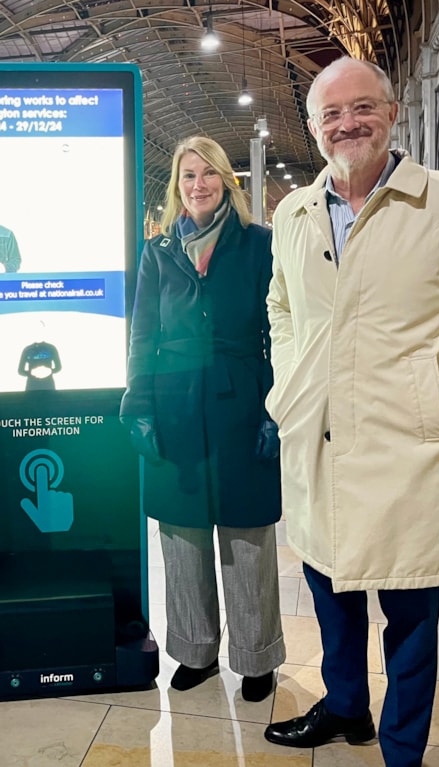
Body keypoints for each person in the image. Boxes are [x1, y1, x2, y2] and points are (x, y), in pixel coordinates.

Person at [262, 57, 439, 767]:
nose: (347, 123)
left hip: (409, 443)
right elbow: (280, 305)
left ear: (393, 111)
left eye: (362, 108)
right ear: (316, 128)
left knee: (410, 615)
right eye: (331, 114)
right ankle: (346, 706)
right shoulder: (295, 211)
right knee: (329, 588)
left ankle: (403, 746)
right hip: (317, 435)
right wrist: (289, 384)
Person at [120, 136, 284, 703]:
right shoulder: (158, 251)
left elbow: (281, 331)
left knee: (247, 536)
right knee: (183, 536)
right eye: (188, 175)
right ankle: (195, 651)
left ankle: (257, 657)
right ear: (176, 187)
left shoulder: (260, 245)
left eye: (208, 173)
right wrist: (137, 404)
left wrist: (275, 410)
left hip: (243, 402)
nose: (198, 185)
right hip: (175, 405)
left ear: (226, 181)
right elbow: (142, 334)